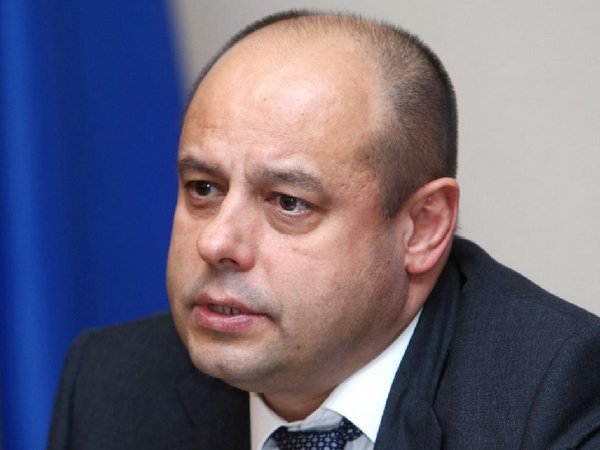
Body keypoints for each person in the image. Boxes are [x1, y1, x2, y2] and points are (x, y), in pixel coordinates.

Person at [47, 10, 600, 450]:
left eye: (289, 202)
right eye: (204, 188)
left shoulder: (555, 396)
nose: (215, 243)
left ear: (421, 229)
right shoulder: (110, 382)